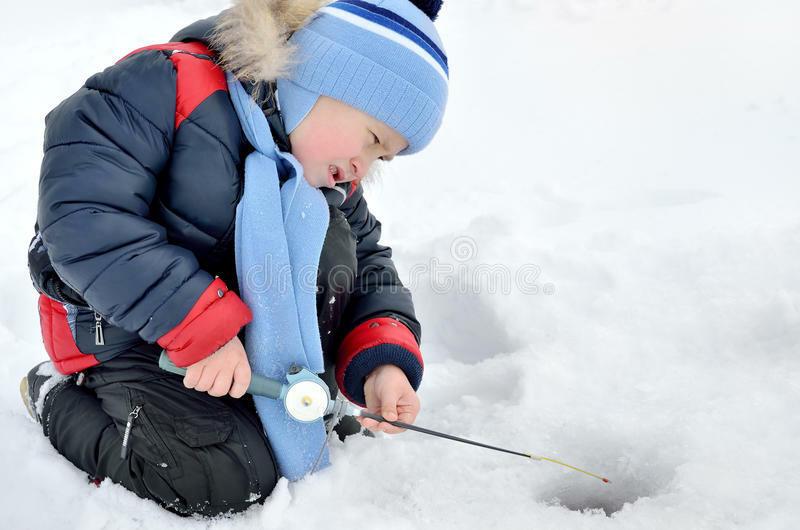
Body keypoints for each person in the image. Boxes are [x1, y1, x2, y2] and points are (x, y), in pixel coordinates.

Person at [21, 0, 448, 517]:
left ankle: (273, 395)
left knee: (332, 241)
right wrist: (199, 326)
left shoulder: (320, 176)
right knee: (220, 472)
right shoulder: (163, 88)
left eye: (384, 157)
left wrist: (381, 359)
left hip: (232, 349)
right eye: (373, 138)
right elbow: (85, 218)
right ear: (323, 77)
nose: (366, 165)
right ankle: (56, 397)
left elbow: (367, 260)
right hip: (125, 335)